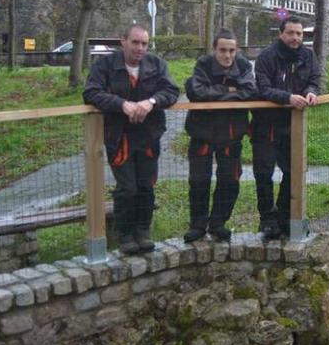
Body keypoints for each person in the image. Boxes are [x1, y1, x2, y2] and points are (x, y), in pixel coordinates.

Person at [83, 25, 179, 255]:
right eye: (135, 42)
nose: (140, 48)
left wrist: (151, 102)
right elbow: (91, 92)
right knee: (127, 188)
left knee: (147, 185)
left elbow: (172, 91)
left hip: (149, 135)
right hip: (119, 136)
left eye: (144, 44)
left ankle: (143, 231)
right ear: (123, 40)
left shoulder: (156, 64)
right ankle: (124, 234)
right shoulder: (105, 65)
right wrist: (122, 104)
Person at [183, 29, 256, 243]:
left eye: (232, 50)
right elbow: (196, 91)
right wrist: (231, 91)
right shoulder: (203, 64)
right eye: (223, 50)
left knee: (230, 181)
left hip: (232, 135)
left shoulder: (243, 65)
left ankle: (218, 223)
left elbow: (250, 90)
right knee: (198, 181)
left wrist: (216, 91)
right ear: (214, 49)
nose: (227, 55)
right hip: (202, 134)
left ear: (237, 50)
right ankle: (197, 225)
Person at [252, 16, 322, 239]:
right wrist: (288, 98)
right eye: (291, 33)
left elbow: (315, 79)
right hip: (266, 125)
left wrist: (312, 91)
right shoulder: (266, 57)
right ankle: (267, 218)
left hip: (293, 125)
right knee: (263, 173)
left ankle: (284, 217)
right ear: (281, 34)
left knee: (293, 172)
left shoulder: (308, 56)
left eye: (299, 34)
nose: (295, 38)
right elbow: (263, 89)